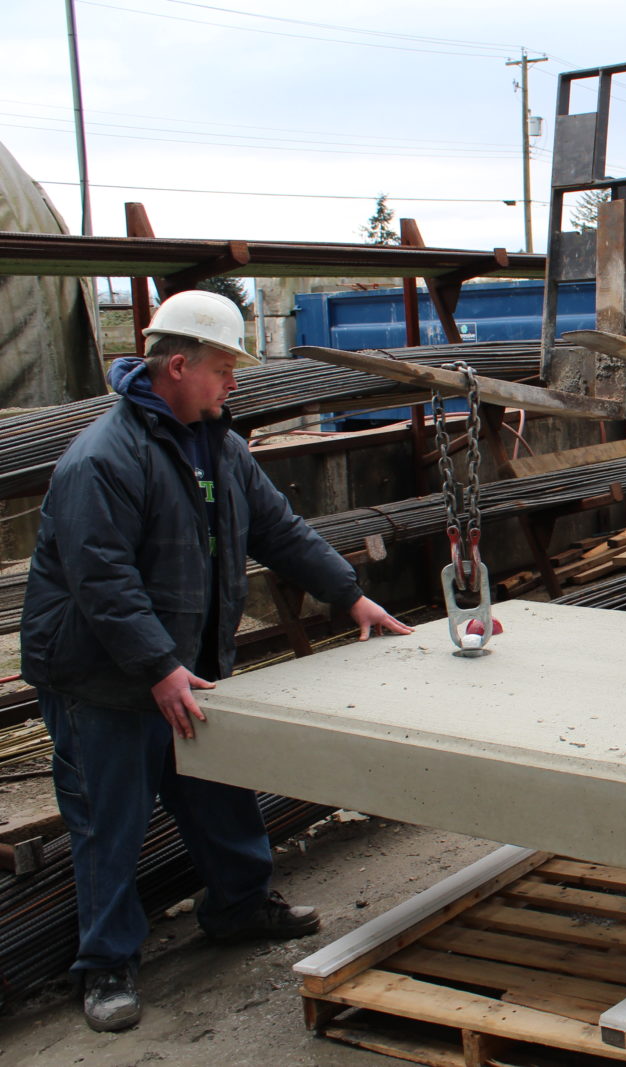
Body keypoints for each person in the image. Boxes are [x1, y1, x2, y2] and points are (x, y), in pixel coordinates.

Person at [20, 288, 413, 1033]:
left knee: (220, 792)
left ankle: (237, 906)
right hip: (105, 680)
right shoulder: (102, 460)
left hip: (186, 668)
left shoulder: (220, 448)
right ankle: (106, 965)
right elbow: (102, 582)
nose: (234, 383)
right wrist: (158, 667)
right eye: (224, 368)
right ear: (178, 365)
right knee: (109, 821)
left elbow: (281, 531)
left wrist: (350, 597)